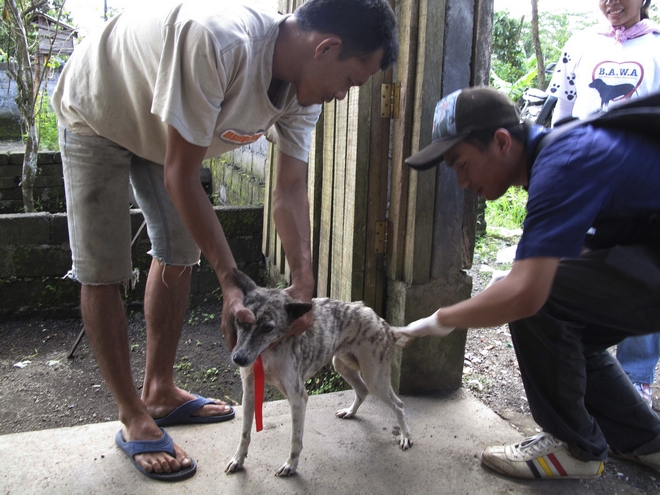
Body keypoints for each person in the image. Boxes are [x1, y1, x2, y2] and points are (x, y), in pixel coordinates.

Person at [51, 0, 397, 481]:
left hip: (164, 130)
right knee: (103, 266)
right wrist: (230, 278)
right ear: (327, 47)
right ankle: (134, 415)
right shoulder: (220, 41)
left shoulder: (302, 93)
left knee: (179, 250)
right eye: (351, 82)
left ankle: (160, 389)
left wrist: (303, 283)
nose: (344, 95)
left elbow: (291, 189)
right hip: (100, 107)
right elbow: (181, 173)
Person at [401, 86, 660, 480]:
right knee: (564, 319)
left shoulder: (564, 161)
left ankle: (575, 448)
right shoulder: (561, 151)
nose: (461, 182)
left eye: (461, 164)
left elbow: (526, 294)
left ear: (501, 142)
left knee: (540, 300)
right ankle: (646, 442)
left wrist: (441, 318)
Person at [547, 0, 660, 408]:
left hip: (641, 189)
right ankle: (576, 369)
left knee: (635, 273)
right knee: (575, 268)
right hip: (583, 182)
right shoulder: (580, 45)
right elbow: (563, 109)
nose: (612, 2)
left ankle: (637, 377)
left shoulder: (658, 48)